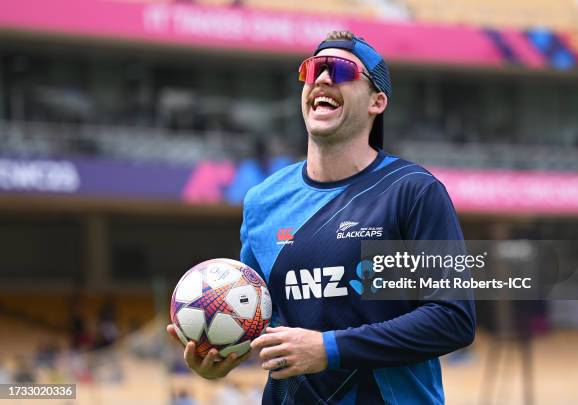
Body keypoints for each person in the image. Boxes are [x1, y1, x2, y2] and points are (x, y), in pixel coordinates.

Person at [168, 30, 476, 404]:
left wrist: (328, 348)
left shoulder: (413, 191)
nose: (324, 79)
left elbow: (453, 319)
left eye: (342, 71)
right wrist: (221, 358)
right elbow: (255, 320)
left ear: (377, 101)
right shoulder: (263, 201)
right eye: (313, 70)